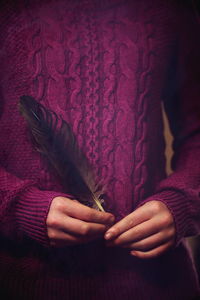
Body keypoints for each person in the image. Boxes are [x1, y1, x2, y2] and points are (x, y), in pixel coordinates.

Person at [0, 0, 200, 299]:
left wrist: (183, 201)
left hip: (159, 283)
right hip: (23, 281)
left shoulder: (169, 10)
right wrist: (18, 206)